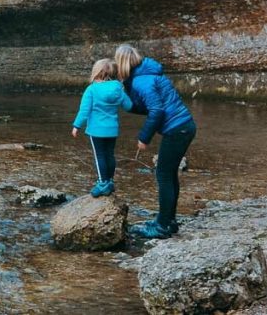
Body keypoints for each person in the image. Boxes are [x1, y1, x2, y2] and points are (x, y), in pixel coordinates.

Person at [115, 44, 197, 239]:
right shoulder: (150, 75)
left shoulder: (141, 81)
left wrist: (144, 138)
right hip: (184, 127)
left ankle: (161, 227)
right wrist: (126, 104)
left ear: (122, 62)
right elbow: (149, 107)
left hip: (177, 130)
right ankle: (169, 221)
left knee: (164, 176)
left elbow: (157, 111)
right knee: (169, 176)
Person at [72, 58, 133, 197]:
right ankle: (110, 181)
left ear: (96, 72)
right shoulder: (118, 88)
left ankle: (102, 183)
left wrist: (76, 125)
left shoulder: (92, 89)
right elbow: (129, 106)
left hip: (96, 130)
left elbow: (84, 110)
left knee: (99, 156)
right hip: (112, 129)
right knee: (110, 155)